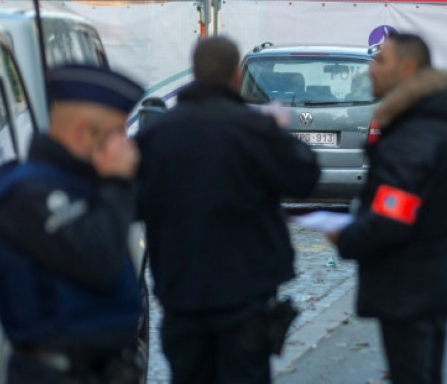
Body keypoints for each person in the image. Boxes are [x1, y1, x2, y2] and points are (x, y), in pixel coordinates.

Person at [135, 36, 320, 384]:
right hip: (245, 293)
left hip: (182, 289)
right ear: (236, 75)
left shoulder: (159, 134)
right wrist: (281, 134)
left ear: (195, 72)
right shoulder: (255, 129)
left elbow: (131, 204)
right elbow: (305, 177)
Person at [327, 33, 447, 384]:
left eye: (381, 61)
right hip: (432, 275)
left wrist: (346, 237)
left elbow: (393, 215)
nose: (371, 70)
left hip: (407, 282)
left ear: (408, 68)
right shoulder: (445, 122)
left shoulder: (414, 134)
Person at [0, 64, 146, 383]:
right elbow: (97, 259)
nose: (125, 146)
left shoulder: (80, 181)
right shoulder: (28, 192)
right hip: (57, 371)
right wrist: (116, 183)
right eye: (116, 134)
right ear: (86, 132)